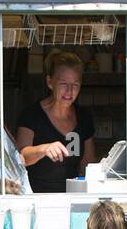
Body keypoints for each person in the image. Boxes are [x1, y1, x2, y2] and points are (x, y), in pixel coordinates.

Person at [15, 49, 97, 193]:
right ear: (50, 82)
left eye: (75, 85)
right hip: (36, 198)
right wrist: (44, 149)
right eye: (64, 84)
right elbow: (20, 158)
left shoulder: (83, 118)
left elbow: (88, 165)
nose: (69, 91)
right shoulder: (32, 114)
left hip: (72, 198)